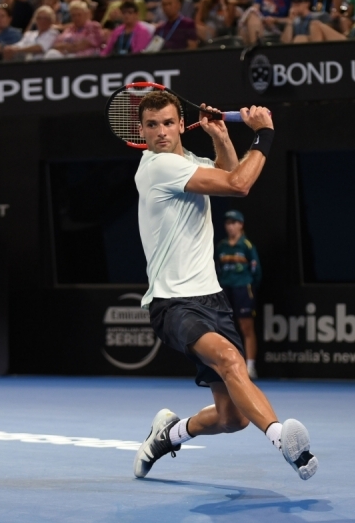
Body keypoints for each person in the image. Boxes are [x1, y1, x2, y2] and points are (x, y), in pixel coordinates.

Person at [131, 91, 318, 481]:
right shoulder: (158, 167)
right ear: (141, 131)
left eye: (168, 123)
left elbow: (227, 170)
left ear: (181, 125)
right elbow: (238, 184)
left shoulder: (189, 162)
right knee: (232, 361)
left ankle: (168, 434)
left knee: (232, 418)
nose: (161, 131)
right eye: (152, 125)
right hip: (173, 303)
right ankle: (284, 442)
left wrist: (221, 136)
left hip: (212, 299)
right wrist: (264, 134)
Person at [215, 210, 262, 379]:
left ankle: (250, 367)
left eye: (234, 223)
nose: (230, 226)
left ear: (241, 225)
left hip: (243, 289)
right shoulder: (221, 246)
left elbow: (257, 273)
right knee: (223, 328)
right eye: (228, 223)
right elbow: (217, 269)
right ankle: (224, 366)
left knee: (246, 327)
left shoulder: (247, 246)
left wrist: (249, 287)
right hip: (225, 289)